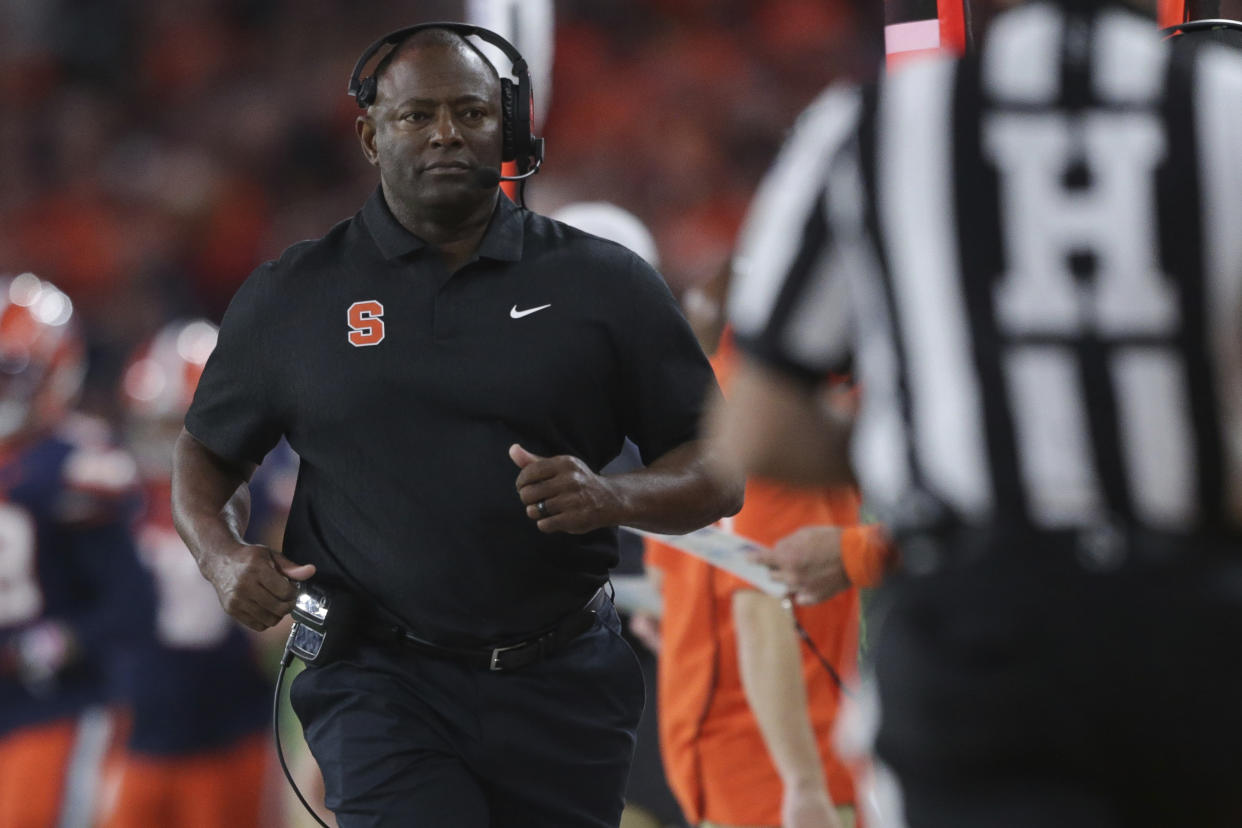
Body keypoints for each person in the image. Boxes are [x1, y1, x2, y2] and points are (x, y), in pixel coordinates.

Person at [171, 24, 742, 828]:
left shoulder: (604, 283)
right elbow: (206, 451)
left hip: (565, 679)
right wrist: (220, 554)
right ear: (371, 135)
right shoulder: (292, 293)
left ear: (508, 129)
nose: (446, 133)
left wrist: (615, 496)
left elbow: (721, 469)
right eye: (417, 116)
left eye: (471, 113)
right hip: (379, 679)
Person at [710, 0, 1242, 825]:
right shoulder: (1224, 109)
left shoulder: (878, 123)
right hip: (1193, 625)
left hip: (980, 633)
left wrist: (950, 432)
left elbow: (760, 426)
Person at [102, 318, 292, 828]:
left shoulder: (267, 488)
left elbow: (289, 608)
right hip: (134, 724)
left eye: (177, 429)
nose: (163, 448)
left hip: (231, 724)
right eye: (155, 426)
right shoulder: (110, 496)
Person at [0, 273, 155, 827]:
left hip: (58, 706)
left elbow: (132, 606)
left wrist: (54, 643)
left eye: (7, 375)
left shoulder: (78, 466)